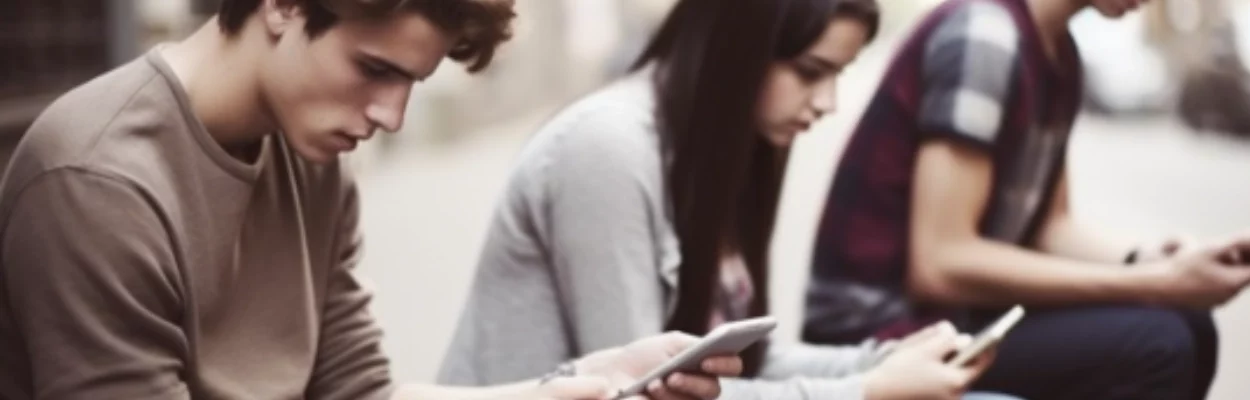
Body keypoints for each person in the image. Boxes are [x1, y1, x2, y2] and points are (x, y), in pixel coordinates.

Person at [0, 0, 744, 399]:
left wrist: (592, 380)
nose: (391, 116)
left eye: (411, 83)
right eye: (373, 68)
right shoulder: (97, 179)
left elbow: (359, 395)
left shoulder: (315, 156)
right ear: (284, 6)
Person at [437, 0, 1020, 399]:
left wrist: (877, 358)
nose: (828, 103)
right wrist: (865, 389)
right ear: (737, 48)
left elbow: (741, 371)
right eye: (811, 72)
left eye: (838, 74)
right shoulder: (606, 147)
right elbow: (640, 390)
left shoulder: (725, 149)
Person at [803, 0, 1250, 399]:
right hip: (878, 333)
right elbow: (941, 263)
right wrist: (1155, 283)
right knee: (1160, 343)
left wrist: (1150, 260)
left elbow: (1051, 225)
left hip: (958, 317)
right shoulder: (984, 34)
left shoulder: (1059, 55)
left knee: (1191, 324)